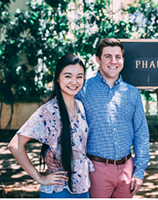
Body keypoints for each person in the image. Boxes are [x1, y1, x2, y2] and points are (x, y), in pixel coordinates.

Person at [46, 38, 150, 198]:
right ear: (98, 59)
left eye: (118, 57)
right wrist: (49, 151)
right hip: (94, 170)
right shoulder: (82, 89)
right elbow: (59, 122)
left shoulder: (132, 93)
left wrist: (139, 171)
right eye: (107, 56)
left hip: (127, 170)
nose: (113, 61)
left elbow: (141, 133)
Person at [8, 54, 94, 198]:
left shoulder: (80, 106)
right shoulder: (48, 110)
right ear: (57, 78)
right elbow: (14, 145)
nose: (74, 81)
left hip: (83, 187)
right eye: (68, 76)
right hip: (59, 190)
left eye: (79, 76)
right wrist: (40, 177)